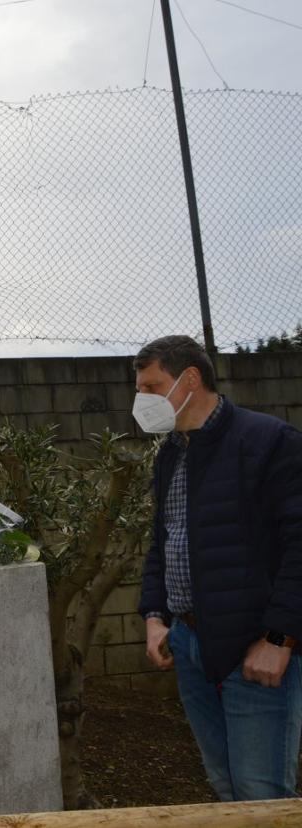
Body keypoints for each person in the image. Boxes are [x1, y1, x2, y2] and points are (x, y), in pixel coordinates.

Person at [135, 335, 302, 802]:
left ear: (190, 379)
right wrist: (154, 616)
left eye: (152, 387)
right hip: (189, 644)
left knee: (260, 793)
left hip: (255, 650)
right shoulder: (172, 453)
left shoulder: (269, 442)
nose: (142, 400)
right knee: (225, 784)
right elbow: (163, 541)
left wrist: (279, 638)